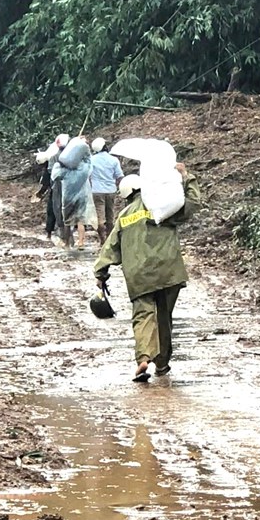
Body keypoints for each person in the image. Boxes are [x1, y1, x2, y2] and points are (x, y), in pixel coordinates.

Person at [94, 164, 201, 382]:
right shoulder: (163, 205)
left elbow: (110, 248)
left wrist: (101, 274)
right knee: (164, 317)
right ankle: (162, 365)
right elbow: (193, 204)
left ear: (125, 195)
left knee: (144, 316)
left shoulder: (124, 216)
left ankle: (143, 358)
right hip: (169, 272)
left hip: (139, 277)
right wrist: (187, 177)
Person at [59, 136, 97, 248]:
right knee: (81, 220)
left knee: (67, 221)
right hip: (82, 195)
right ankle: (81, 242)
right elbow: (90, 161)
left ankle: (66, 243)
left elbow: (56, 175)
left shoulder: (65, 167)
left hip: (68, 195)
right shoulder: (85, 167)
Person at [89, 137, 124, 244]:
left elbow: (88, 175)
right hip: (110, 190)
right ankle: (110, 239)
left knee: (100, 215)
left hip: (96, 191)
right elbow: (119, 176)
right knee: (110, 216)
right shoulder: (114, 160)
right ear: (105, 147)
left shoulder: (91, 160)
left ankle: (102, 239)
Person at [37, 134, 70, 241]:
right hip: (69, 188)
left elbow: (47, 182)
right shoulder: (72, 157)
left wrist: (40, 193)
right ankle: (67, 234)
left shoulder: (52, 160)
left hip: (57, 189)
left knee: (53, 210)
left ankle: (50, 233)